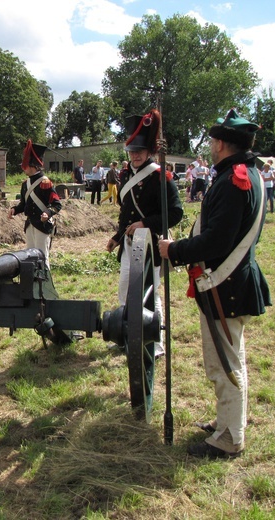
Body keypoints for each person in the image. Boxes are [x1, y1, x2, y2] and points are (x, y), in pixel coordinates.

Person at [159, 109, 271, 459]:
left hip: (228, 286)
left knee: (225, 364)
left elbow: (217, 241)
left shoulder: (234, 180)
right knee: (228, 359)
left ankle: (229, 439)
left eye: (212, 141)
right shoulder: (244, 174)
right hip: (232, 282)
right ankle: (227, 422)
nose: (210, 146)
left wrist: (173, 249)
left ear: (222, 143)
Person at [106, 109, 183, 358]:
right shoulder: (127, 175)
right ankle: (124, 333)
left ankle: (155, 341)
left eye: (139, 150)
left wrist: (145, 223)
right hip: (130, 244)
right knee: (125, 288)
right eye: (132, 151)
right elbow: (126, 213)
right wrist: (117, 237)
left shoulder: (162, 177)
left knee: (151, 291)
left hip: (151, 243)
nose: (135, 155)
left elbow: (175, 213)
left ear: (149, 151)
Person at [8, 140, 62, 269]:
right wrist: (14, 210)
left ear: (33, 166)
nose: (23, 168)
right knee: (30, 258)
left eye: (25, 165)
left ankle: (45, 285)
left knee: (43, 257)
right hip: (30, 224)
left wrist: (48, 213)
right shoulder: (25, 184)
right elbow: (24, 204)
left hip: (42, 226)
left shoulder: (45, 183)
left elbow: (56, 204)